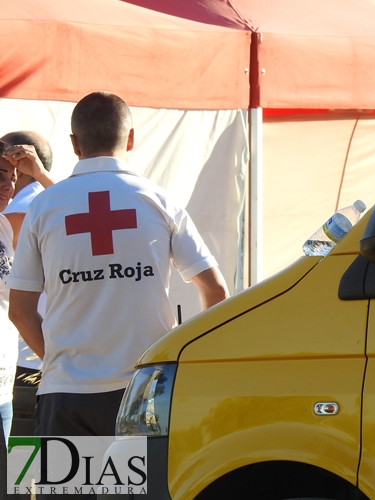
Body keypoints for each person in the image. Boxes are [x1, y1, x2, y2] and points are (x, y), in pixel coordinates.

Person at [7, 91, 230, 445]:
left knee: (68, 493)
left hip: (64, 396)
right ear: (130, 138)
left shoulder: (43, 206)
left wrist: (60, 362)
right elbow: (216, 292)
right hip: (143, 394)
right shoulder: (159, 200)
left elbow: (20, 311)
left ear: (74, 144)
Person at [2, 131, 52, 390]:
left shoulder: (11, 222)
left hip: (14, 368)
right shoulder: (21, 213)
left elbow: (75, 209)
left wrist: (40, 175)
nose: (8, 186)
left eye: (12, 177)